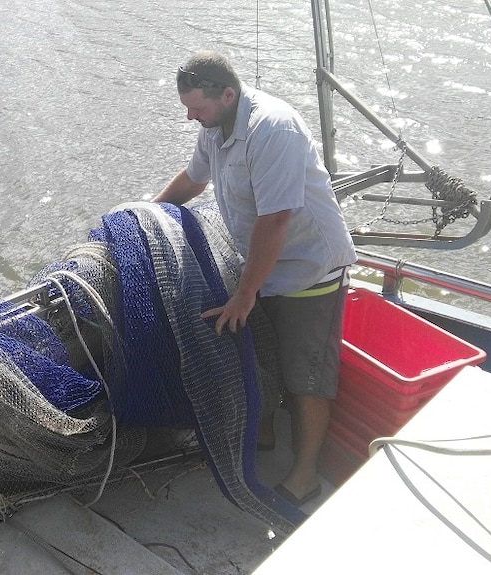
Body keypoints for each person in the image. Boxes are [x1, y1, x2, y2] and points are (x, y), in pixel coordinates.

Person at [152, 51, 357, 508]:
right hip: (262, 265)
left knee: (306, 376)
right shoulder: (214, 127)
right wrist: (147, 212)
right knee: (257, 351)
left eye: (197, 108)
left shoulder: (273, 128)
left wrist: (244, 294)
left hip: (308, 269)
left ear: (228, 94)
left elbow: (275, 221)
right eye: (186, 107)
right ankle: (261, 436)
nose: (190, 116)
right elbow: (192, 179)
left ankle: (305, 478)